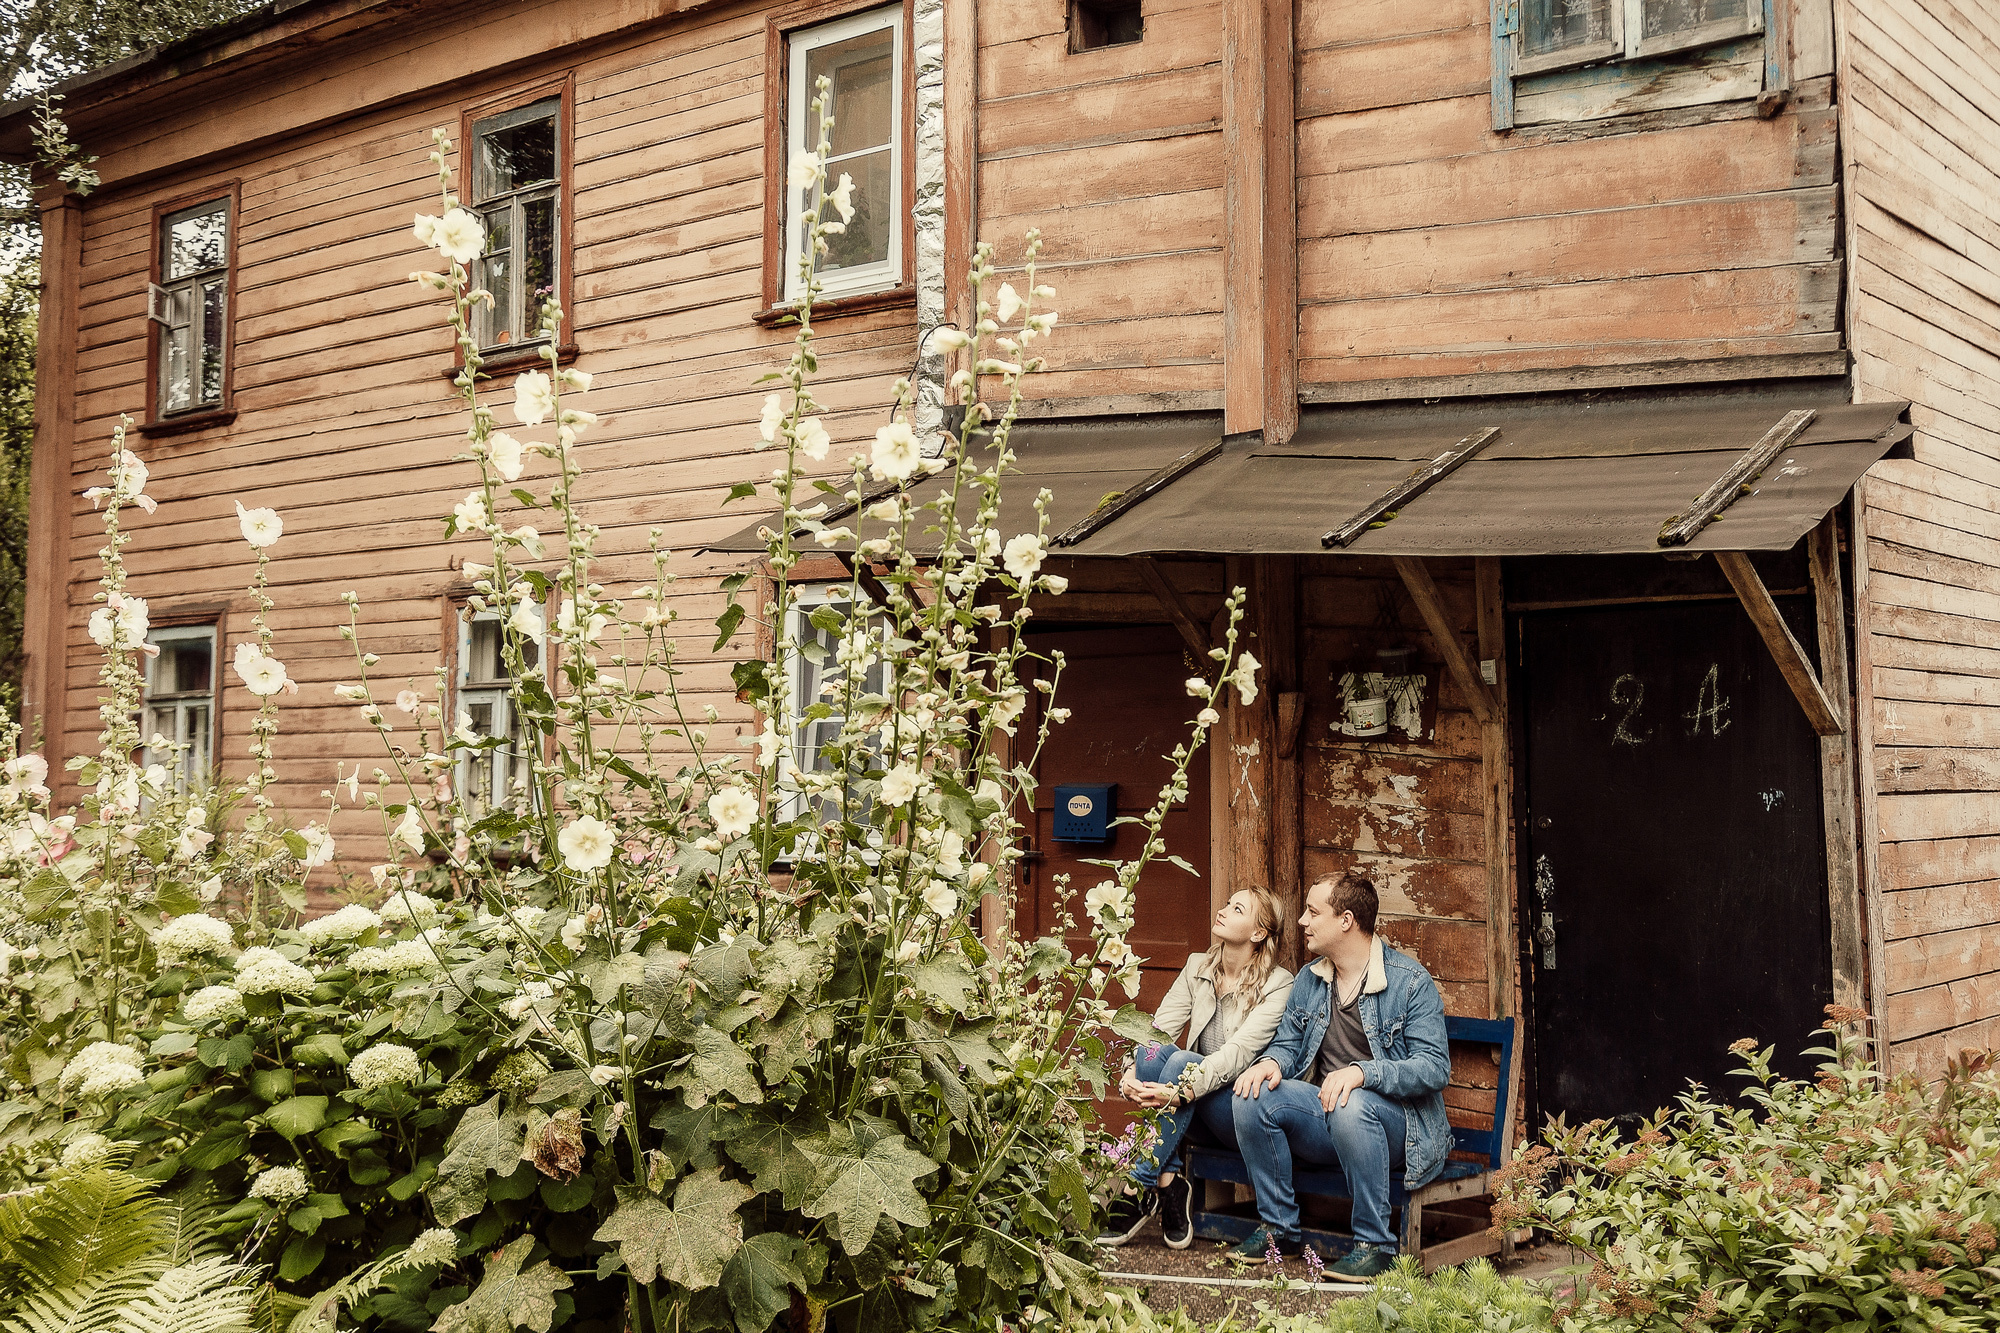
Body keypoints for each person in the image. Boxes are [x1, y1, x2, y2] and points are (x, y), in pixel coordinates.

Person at [1229, 871, 1451, 1282]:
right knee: (1252, 1093)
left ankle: (1374, 1246)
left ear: (1345, 920)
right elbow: (1288, 1044)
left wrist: (1363, 1073)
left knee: (1352, 1102)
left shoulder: (1410, 982)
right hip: (1330, 1118)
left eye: (1313, 912)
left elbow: (1434, 1067)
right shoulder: (1312, 979)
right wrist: (1272, 1062)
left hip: (1400, 1129)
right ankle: (1279, 1230)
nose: (1302, 921)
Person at [1096, 887, 1292, 1250]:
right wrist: (1129, 1071)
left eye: (1237, 909)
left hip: (1237, 1111)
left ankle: (1137, 1183)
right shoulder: (1197, 967)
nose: (1222, 910)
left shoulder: (1278, 984)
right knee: (1154, 1051)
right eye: (1226, 903)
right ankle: (1170, 1182)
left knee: (1183, 1061)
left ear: (1258, 933)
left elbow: (1237, 1054)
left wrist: (1181, 1089)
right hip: (1186, 1106)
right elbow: (1156, 1031)